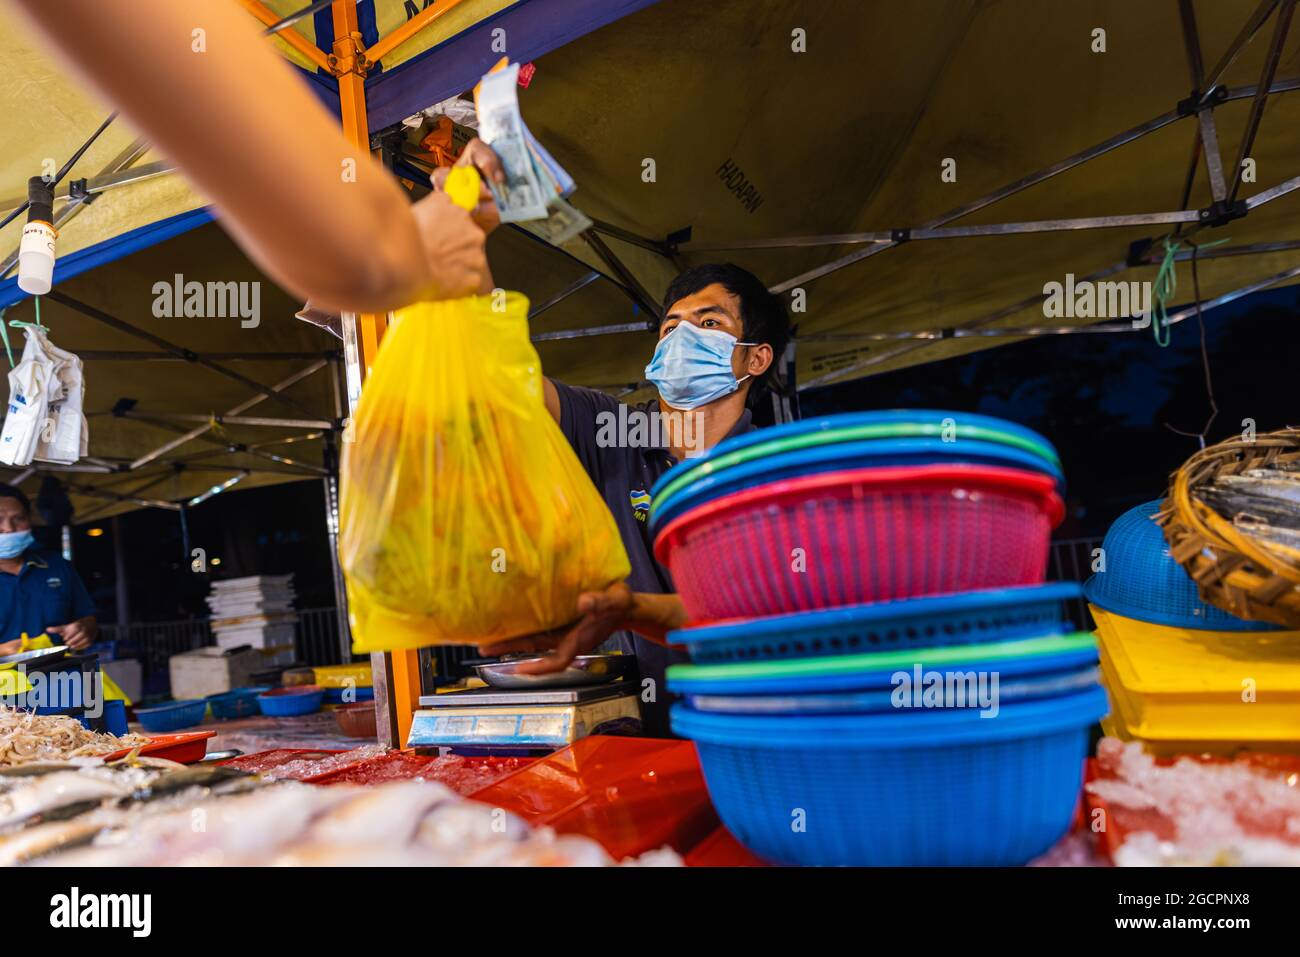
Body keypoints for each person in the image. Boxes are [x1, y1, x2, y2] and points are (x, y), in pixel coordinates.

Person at [0, 484, 97, 656]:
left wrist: (83, 630)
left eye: (19, 518)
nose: (9, 528)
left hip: (59, 678)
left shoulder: (57, 566)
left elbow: (88, 619)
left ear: (30, 520)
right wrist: (3, 652)